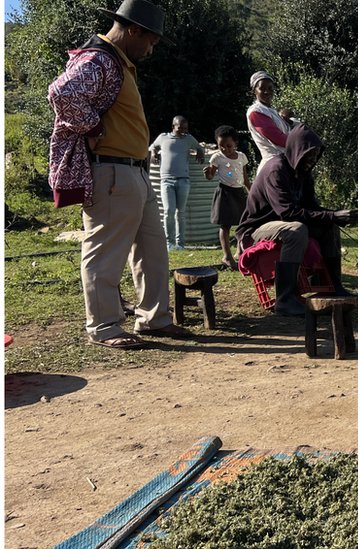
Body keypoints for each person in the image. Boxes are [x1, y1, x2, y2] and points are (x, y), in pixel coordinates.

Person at [47, 0, 190, 349]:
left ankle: (154, 319)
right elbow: (61, 92)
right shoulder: (99, 58)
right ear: (133, 30)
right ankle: (105, 327)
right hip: (111, 171)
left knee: (153, 249)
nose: (151, 49)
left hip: (135, 173)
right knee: (104, 253)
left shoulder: (118, 62)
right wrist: (92, 125)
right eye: (151, 41)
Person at [237, 124, 358, 316]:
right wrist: (332, 215)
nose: (312, 161)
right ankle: (284, 300)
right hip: (256, 228)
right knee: (296, 229)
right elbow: (288, 213)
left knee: (329, 226)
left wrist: (336, 216)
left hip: (282, 221)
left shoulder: (303, 172)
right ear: (296, 150)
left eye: (315, 156)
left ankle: (332, 287)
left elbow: (311, 207)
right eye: (308, 155)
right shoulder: (275, 170)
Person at [149, 115, 205, 250]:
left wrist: (200, 152)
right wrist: (153, 153)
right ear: (173, 127)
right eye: (180, 128)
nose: (183, 131)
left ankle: (180, 244)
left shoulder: (188, 139)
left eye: (185, 128)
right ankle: (169, 243)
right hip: (166, 181)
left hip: (183, 180)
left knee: (181, 212)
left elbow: (199, 147)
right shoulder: (163, 138)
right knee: (168, 211)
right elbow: (152, 147)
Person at [205, 125, 249, 270]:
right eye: (221, 146)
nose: (225, 149)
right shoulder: (217, 157)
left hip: (239, 192)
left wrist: (251, 192)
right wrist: (207, 173)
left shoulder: (242, 156)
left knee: (242, 223)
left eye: (229, 146)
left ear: (235, 143)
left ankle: (239, 251)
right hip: (224, 193)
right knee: (225, 225)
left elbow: (245, 178)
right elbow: (211, 176)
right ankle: (227, 256)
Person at [246, 71, 290, 177]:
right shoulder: (256, 112)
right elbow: (278, 138)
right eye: (262, 88)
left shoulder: (271, 111)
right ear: (254, 91)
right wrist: (301, 142)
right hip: (274, 165)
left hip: (284, 162)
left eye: (270, 88)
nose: (267, 92)